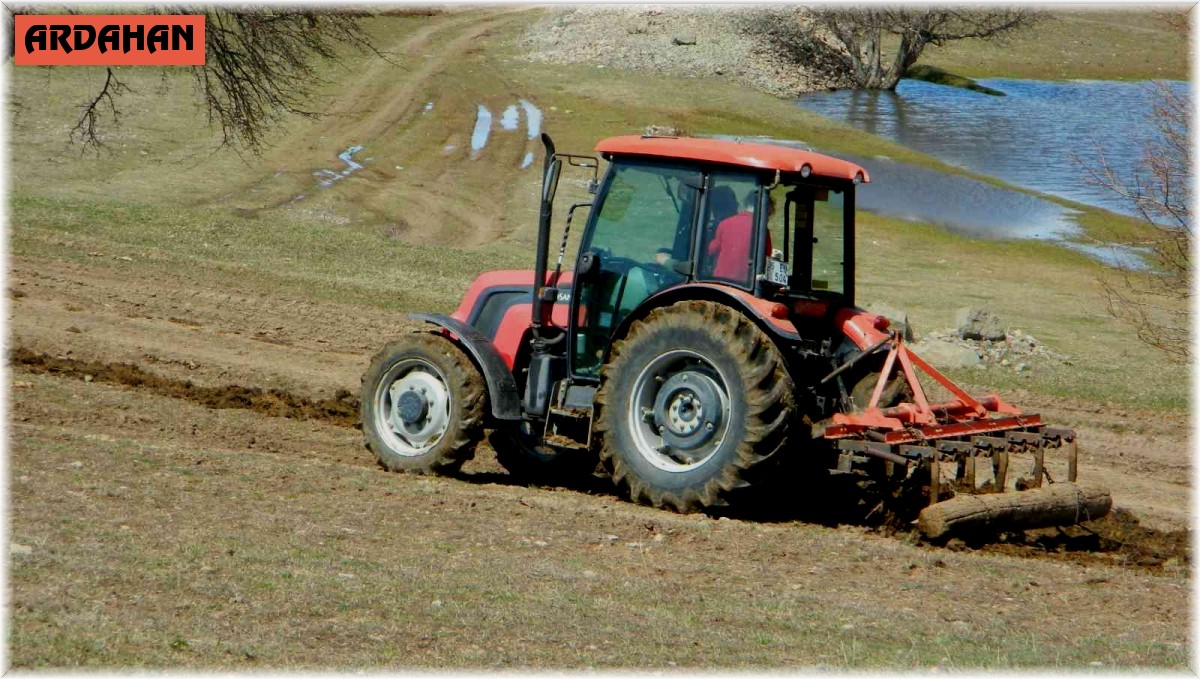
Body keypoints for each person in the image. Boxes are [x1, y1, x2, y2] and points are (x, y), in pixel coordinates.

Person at [707, 193, 774, 284]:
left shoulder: (724, 223)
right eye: (768, 214)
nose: (768, 219)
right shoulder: (762, 230)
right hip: (746, 284)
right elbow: (766, 259)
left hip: (720, 281)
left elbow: (711, 250)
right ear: (763, 209)